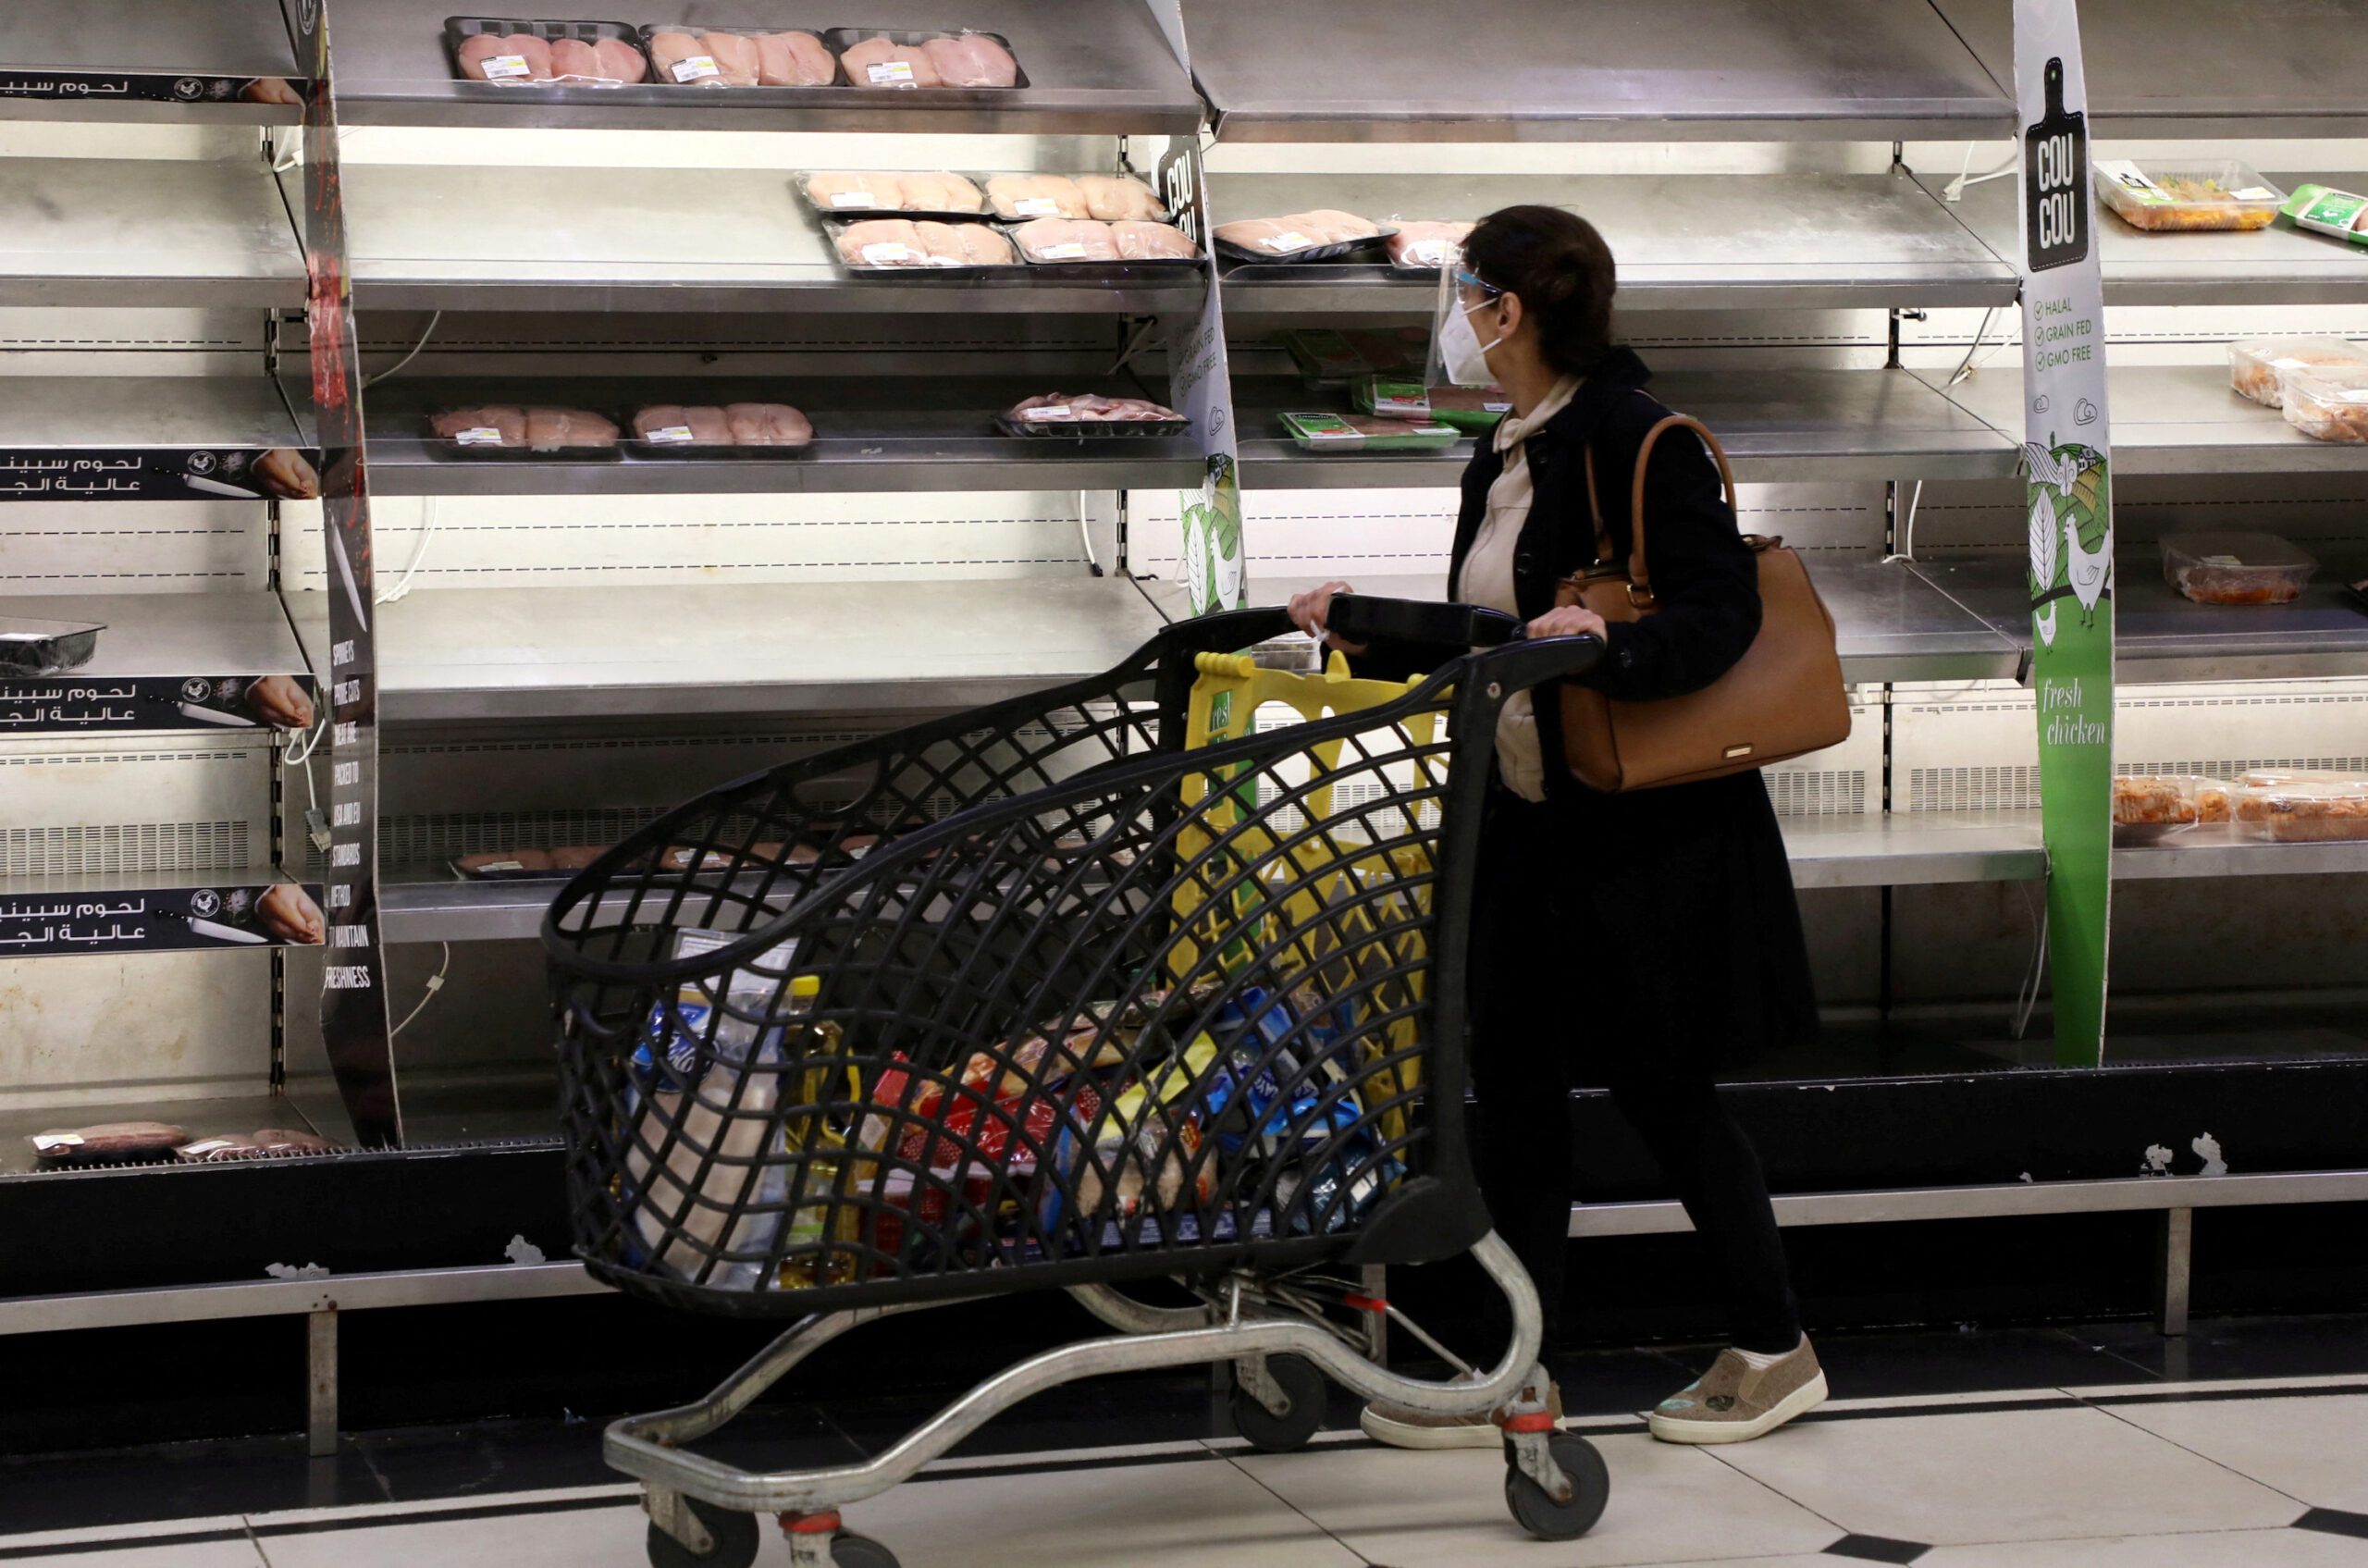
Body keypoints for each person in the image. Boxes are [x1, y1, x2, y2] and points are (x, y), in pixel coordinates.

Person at [1288, 205, 1828, 1448]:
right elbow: (1507, 635)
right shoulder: (1507, 448)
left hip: (1647, 836)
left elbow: (1714, 618)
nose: (1457, 321)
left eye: (1464, 295)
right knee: (1514, 1099)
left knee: (1665, 1095)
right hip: (1529, 824)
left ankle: (1774, 1344)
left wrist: (1618, 645)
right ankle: (1516, 1371)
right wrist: (1367, 627)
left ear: (1506, 311)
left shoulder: (1637, 440)